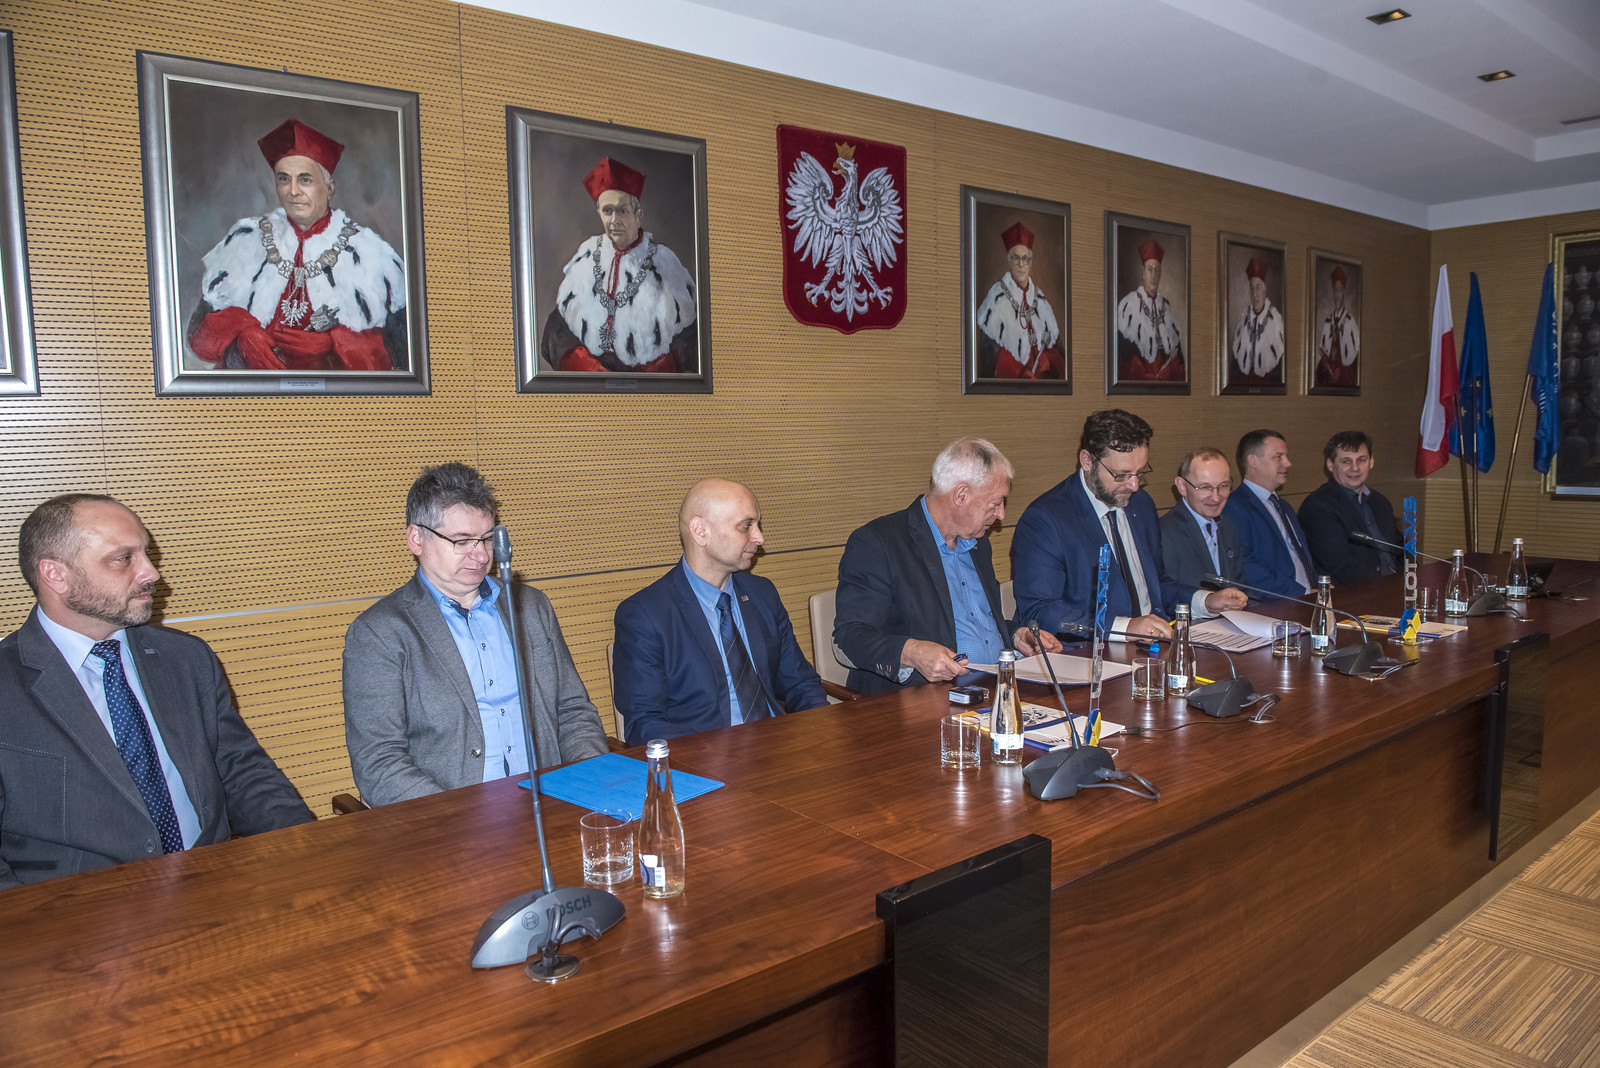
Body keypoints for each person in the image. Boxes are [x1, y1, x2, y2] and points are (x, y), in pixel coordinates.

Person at [0, 494, 313, 888]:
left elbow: (242, 770)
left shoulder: (186, 657)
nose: (151, 573)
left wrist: (309, 850)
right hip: (78, 909)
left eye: (145, 554)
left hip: (215, 885)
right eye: (123, 558)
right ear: (55, 575)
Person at [342, 463, 606, 806]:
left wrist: (591, 785)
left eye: (487, 539)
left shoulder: (530, 606)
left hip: (551, 803)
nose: (481, 556)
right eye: (462, 541)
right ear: (416, 539)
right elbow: (378, 763)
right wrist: (457, 819)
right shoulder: (380, 632)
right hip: (450, 817)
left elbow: (573, 711)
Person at [834, 437, 1061, 697]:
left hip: (995, 690)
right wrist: (911, 653)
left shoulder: (978, 544)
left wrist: (1016, 636)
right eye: (995, 503)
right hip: (920, 701)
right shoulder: (879, 542)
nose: (1001, 514)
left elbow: (973, 623)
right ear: (961, 495)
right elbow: (849, 638)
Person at [613, 479, 828, 745]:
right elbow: (645, 723)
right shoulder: (645, 615)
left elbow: (801, 684)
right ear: (700, 531)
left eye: (758, 525)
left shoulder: (762, 594)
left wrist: (824, 733)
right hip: (704, 758)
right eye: (746, 526)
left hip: (779, 746)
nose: (759, 537)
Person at [188, 118, 407, 372]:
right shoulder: (246, 240)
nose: (293, 191)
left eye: (305, 180)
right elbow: (197, 337)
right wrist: (241, 334)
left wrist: (334, 343)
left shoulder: (371, 255)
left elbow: (401, 356)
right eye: (284, 179)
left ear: (329, 189)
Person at [1013, 410, 1245, 641]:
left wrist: (1205, 601)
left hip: (1155, 643)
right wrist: (1125, 628)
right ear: (1087, 461)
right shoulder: (1046, 519)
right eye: (1121, 475)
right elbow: (1039, 610)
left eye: (1139, 473)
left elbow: (1154, 585)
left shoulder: (1141, 504)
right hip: (1088, 652)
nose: (1134, 485)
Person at [539, 156, 698, 374]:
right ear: (599, 213)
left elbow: (690, 342)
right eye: (607, 211)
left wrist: (649, 377)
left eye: (622, 210)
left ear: (638, 215)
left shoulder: (664, 264)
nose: (614, 220)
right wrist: (587, 367)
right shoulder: (586, 256)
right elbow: (556, 333)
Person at [1298, 431, 1402, 586]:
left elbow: (1400, 548)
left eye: (1361, 460)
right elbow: (1341, 567)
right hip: (1357, 592)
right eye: (1346, 461)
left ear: (1371, 462)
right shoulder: (1318, 506)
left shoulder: (1380, 502)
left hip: (1394, 586)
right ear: (1330, 465)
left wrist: (1409, 580)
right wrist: (1387, 587)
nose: (1355, 468)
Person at [1223, 430, 1316, 598]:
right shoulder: (1234, 506)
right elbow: (1245, 566)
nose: (1287, 463)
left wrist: (1319, 588)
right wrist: (1303, 593)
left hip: (1311, 596)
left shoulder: (1283, 505)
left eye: (1286, 456)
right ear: (1253, 461)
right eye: (1278, 457)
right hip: (1280, 602)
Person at [975, 222, 1063, 379]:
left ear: (1030, 263)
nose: (1021, 264)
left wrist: (1048, 359)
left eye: (1025, 259)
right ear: (1009, 261)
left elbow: (1059, 352)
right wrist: (1018, 371)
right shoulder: (996, 299)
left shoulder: (1041, 302)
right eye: (1016, 258)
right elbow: (988, 353)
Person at [1159, 448, 1245, 597]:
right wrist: (1208, 601)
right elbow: (1164, 592)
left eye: (1224, 486)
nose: (1216, 497)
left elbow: (1240, 581)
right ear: (1182, 486)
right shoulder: (1165, 532)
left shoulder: (1229, 525)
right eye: (1205, 487)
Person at [1115, 239, 1185, 382]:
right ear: (1143, 273)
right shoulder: (1129, 306)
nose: (1153, 276)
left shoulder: (1167, 308)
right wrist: (1146, 376)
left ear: (1160, 274)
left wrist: (1170, 371)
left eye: (1157, 270)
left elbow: (1178, 361)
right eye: (1149, 270)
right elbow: (1123, 359)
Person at [1230, 258, 1284, 382]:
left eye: (1258, 287)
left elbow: (1280, 369)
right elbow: (1235, 364)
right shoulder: (1243, 322)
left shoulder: (1275, 321)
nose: (1255, 294)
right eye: (1252, 288)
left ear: (1264, 289)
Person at [1316, 264, 1359, 388]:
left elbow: (1354, 355)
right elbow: (1324, 348)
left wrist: (1341, 370)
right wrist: (1325, 360)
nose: (1337, 294)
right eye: (1335, 289)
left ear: (1344, 291)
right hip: (1329, 375)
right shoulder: (1328, 321)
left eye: (1340, 289)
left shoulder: (1350, 321)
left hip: (1345, 374)